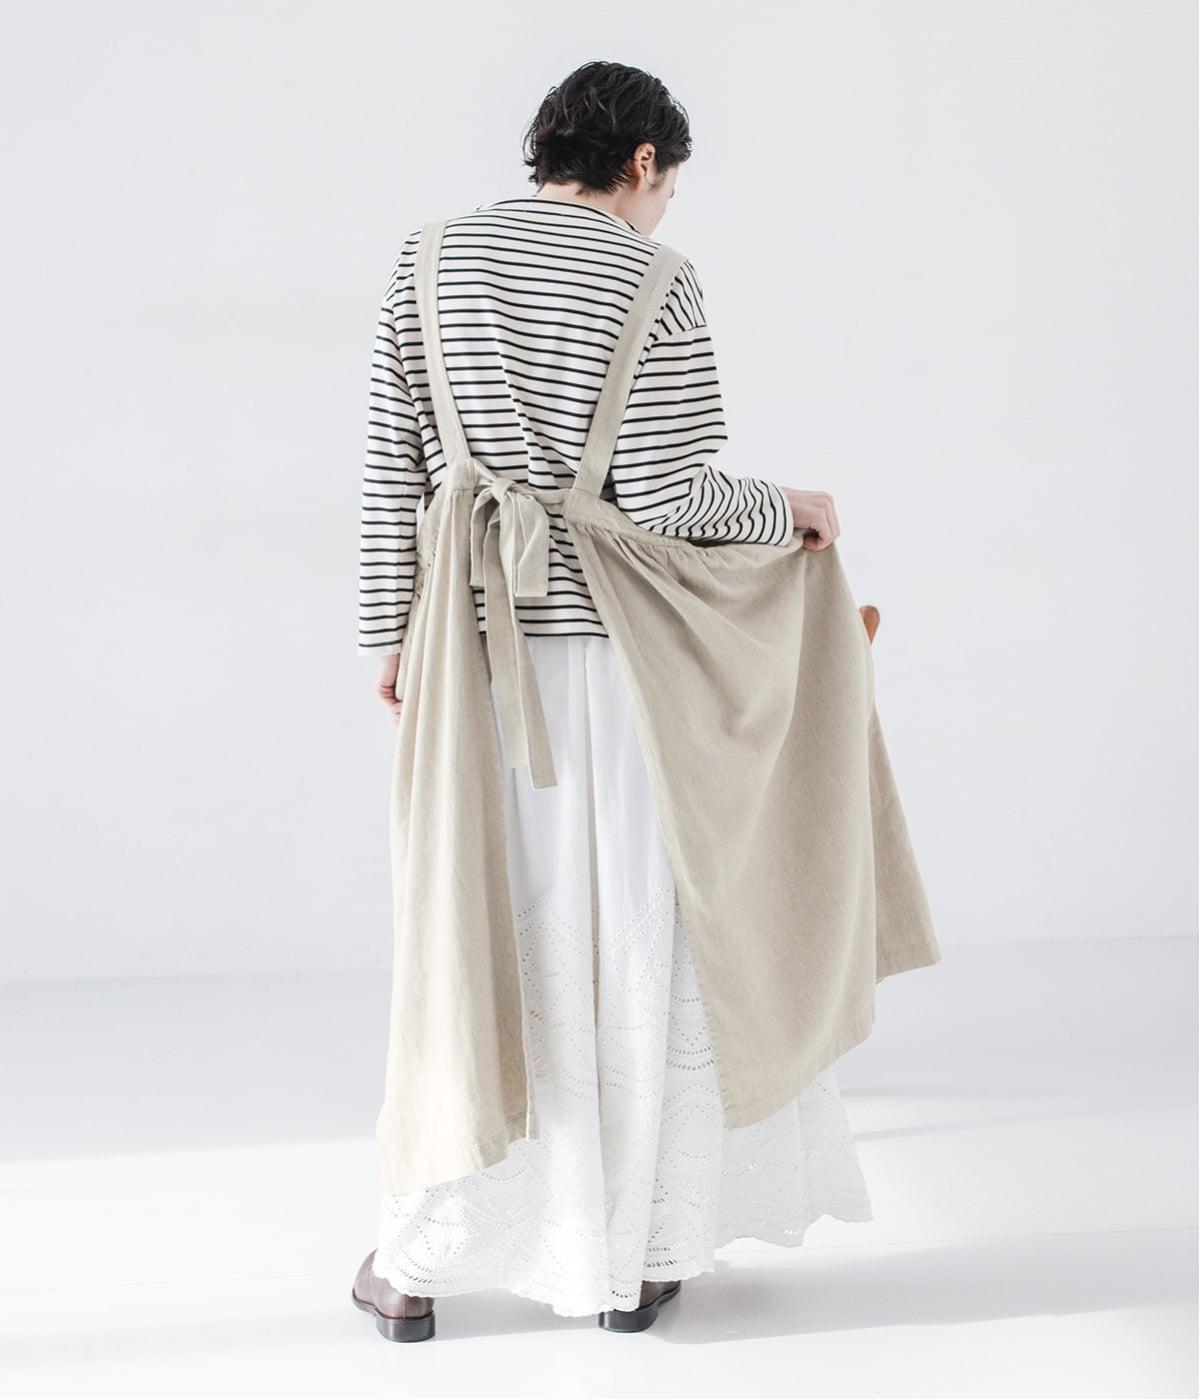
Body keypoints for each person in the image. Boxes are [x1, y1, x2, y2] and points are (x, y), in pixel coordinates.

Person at [352, 60, 871, 1342]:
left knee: (469, 949)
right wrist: (789, 508)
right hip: (619, 665)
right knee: (633, 945)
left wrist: (389, 632)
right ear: (642, 161)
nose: (663, 210)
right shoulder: (655, 277)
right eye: (668, 186)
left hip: (473, 659)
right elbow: (668, 496)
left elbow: (391, 466)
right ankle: (630, 1261)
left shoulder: (427, 260)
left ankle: (418, 1264)